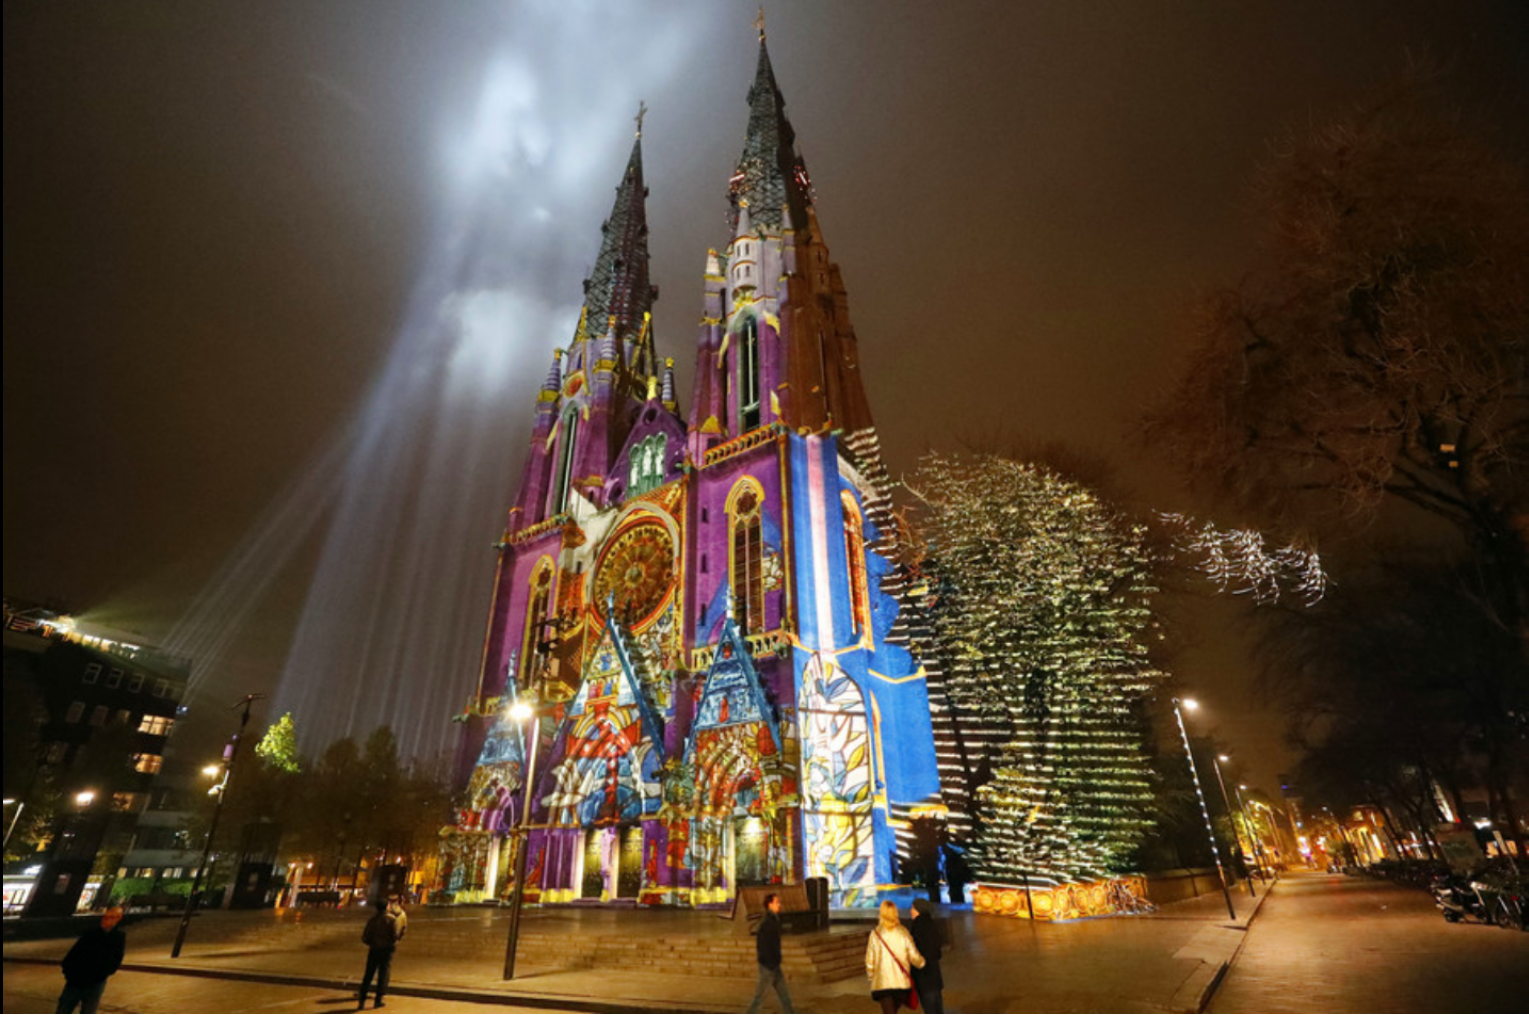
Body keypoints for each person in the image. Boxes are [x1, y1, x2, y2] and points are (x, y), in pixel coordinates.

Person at [56, 905, 126, 1015]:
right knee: (64, 1008)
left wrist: (104, 973)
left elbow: (116, 958)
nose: (107, 920)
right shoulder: (91, 933)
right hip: (76, 979)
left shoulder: (118, 937)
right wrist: (68, 971)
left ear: (118, 919)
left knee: (88, 1010)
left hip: (96, 981)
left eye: (112, 917)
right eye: (106, 917)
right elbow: (74, 952)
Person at [865, 899, 924, 1015]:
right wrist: (921, 963)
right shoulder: (903, 932)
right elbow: (913, 955)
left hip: (882, 983)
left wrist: (871, 975)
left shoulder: (876, 934)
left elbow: (869, 959)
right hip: (901, 983)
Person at [745, 892, 795, 1014]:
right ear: (770, 904)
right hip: (769, 965)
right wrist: (770, 961)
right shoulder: (768, 922)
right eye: (777, 902)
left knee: (784, 994)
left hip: (773, 963)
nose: (779, 905)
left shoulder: (772, 920)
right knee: (760, 995)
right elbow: (764, 944)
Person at [358, 895, 404, 1009]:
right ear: (387, 906)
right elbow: (395, 935)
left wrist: (372, 943)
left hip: (374, 950)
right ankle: (378, 999)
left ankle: (362, 999)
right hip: (386, 950)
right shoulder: (391, 920)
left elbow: (365, 936)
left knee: (368, 974)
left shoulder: (372, 920)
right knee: (383, 974)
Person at [908, 897, 946, 1014]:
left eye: (913, 908)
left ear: (918, 910)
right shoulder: (931, 924)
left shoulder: (918, 927)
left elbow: (916, 951)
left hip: (923, 975)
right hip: (934, 974)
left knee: (929, 1007)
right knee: (937, 1005)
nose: (910, 910)